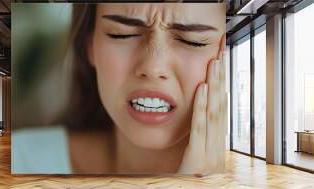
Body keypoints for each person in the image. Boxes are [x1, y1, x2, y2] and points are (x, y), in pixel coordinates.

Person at [12, 3, 227, 176]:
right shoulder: (22, 158)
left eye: (192, 41)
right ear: (90, 46)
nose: (153, 67)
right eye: (121, 34)